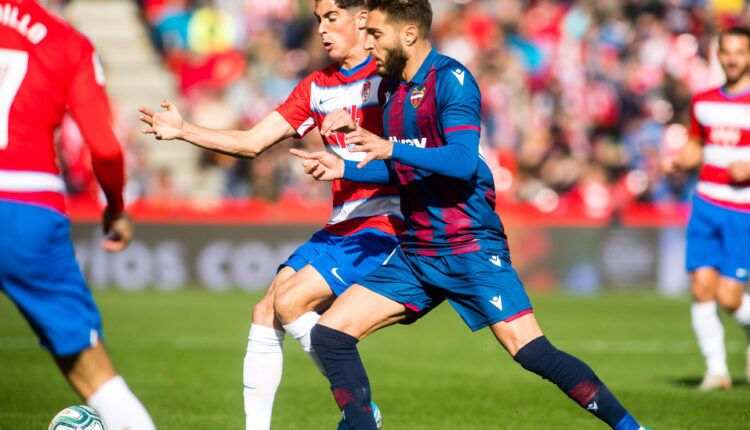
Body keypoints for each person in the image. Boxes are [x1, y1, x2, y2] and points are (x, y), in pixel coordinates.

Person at [291, 1, 648, 429]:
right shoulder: (390, 89)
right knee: (331, 335)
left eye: (376, 35)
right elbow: (405, 164)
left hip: (468, 246)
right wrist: (344, 167)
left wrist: (388, 147)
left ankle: (633, 428)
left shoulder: (452, 80)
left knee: (532, 352)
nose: (368, 44)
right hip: (417, 252)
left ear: (408, 35)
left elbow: (462, 160)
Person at [139, 1, 400, 428]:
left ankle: (359, 408)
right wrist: (184, 130)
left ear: (363, 19)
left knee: (290, 301)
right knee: (264, 312)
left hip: (385, 225)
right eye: (317, 20)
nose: (322, 30)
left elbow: (416, 153)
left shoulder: (393, 79)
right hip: (341, 227)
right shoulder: (317, 86)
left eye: (331, 18)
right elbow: (253, 141)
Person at [0, 1, 155, 429]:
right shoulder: (67, 42)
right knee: (96, 375)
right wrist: (116, 208)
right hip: (24, 206)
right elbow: (104, 147)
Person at [663, 26, 750, 391]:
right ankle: (717, 372)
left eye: (739, 52)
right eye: (726, 51)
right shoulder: (703, 100)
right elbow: (698, 144)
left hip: (742, 210)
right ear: (718, 54)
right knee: (701, 288)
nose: (732, 58)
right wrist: (679, 161)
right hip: (705, 204)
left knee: (729, 296)